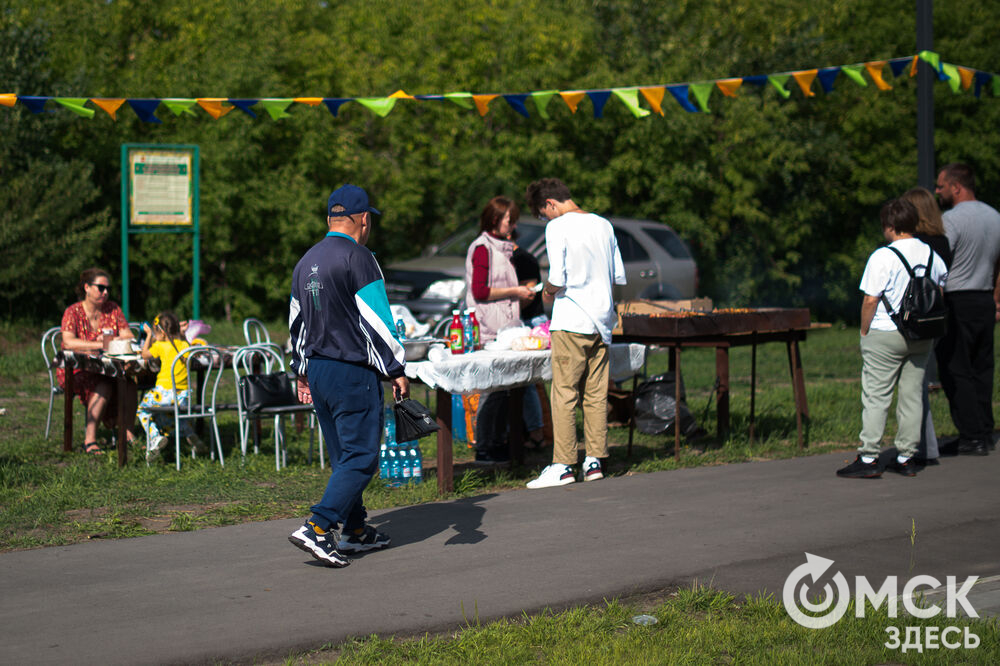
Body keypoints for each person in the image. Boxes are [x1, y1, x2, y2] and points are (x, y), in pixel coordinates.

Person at [287, 184, 409, 568]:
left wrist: (301, 371)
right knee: (361, 457)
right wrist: (396, 369)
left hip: (319, 369)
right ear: (364, 220)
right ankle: (319, 527)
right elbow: (376, 320)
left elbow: (296, 322)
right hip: (353, 370)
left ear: (329, 219)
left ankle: (355, 530)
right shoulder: (360, 257)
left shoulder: (306, 260)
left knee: (344, 456)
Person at [523, 178, 626, 488]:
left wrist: (545, 291)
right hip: (601, 321)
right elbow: (617, 274)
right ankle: (595, 461)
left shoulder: (557, 227)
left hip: (571, 321)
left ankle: (564, 464)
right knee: (595, 395)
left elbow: (558, 277)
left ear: (550, 204)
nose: (546, 220)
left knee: (565, 394)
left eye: (543, 214)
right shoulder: (604, 225)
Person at [837, 198, 947, 478]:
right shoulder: (933, 255)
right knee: (912, 396)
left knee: (876, 395)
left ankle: (870, 456)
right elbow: (940, 294)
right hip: (923, 335)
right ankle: (906, 456)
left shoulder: (883, 256)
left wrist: (864, 330)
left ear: (890, 226)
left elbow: (871, 299)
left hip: (886, 333)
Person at [933, 163, 1000, 456]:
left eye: (940, 186)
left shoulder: (952, 220)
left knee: (954, 369)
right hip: (985, 299)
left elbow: (940, 263)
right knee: (982, 368)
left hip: (958, 300)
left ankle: (970, 437)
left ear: (956, 187)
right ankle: (985, 431)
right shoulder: (994, 216)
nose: (938, 191)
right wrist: (997, 299)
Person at [464, 196, 535, 464]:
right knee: (492, 391)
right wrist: (516, 291)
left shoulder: (502, 248)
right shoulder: (482, 248)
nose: (512, 224)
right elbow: (480, 290)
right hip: (489, 328)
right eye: (509, 219)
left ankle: (499, 441)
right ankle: (484, 446)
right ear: (495, 220)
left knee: (504, 390)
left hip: (504, 327)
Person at [58, 268, 138, 454]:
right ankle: (90, 440)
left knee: (130, 384)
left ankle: (127, 434)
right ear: (86, 287)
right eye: (100, 287)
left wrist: (119, 339)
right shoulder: (73, 312)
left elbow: (129, 335)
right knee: (103, 385)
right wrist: (97, 343)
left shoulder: (113, 309)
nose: (105, 292)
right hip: (77, 369)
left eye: (107, 288)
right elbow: (68, 342)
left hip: (106, 367)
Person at [901, 186, 951, 464]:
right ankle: (925, 445)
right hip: (936, 318)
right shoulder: (942, 242)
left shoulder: (913, 244)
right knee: (919, 382)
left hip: (911, 321)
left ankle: (920, 446)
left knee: (912, 386)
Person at [137, 312, 207, 463]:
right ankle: (189, 433)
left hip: (164, 393)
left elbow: (144, 354)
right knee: (169, 414)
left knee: (142, 410)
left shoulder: (160, 346)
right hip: (183, 397)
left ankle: (155, 437)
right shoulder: (184, 345)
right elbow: (183, 343)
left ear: (161, 332)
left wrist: (148, 335)